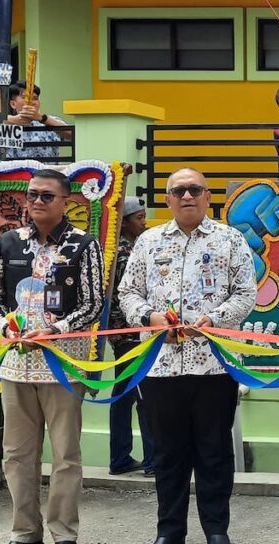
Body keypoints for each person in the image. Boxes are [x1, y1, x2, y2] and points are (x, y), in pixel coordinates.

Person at [118, 168, 257, 544]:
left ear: (208, 196)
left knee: (214, 454)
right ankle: (170, 531)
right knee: (168, 455)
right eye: (178, 190)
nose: (187, 196)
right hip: (160, 367)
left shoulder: (230, 240)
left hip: (215, 365)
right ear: (167, 199)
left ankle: (216, 530)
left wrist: (215, 320)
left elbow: (247, 293)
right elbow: (127, 293)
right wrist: (150, 317)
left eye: (195, 189)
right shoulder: (148, 242)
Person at [0, 168, 105, 544]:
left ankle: (64, 533)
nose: (35, 202)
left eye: (46, 196)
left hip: (63, 366)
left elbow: (92, 303)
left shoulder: (84, 244)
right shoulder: (8, 243)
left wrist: (54, 332)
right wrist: (6, 328)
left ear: (66, 201)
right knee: (17, 455)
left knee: (66, 455)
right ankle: (24, 532)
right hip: (15, 366)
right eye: (31, 195)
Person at [107, 196, 155, 476]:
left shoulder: (122, 249)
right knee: (144, 392)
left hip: (121, 333)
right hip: (132, 333)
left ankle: (120, 457)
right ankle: (152, 460)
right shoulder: (127, 254)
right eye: (138, 218)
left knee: (122, 394)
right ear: (124, 223)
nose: (144, 222)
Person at [5, 81, 71, 160]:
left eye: (35, 98)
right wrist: (11, 120)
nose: (31, 102)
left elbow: (72, 134)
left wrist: (42, 118)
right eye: (25, 97)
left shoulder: (50, 121)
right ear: (13, 104)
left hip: (47, 171)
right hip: (17, 171)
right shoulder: (5, 124)